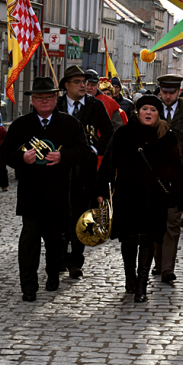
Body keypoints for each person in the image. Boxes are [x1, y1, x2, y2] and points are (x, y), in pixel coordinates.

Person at [0, 77, 92, 302]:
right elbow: (5, 152)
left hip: (58, 192)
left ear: (56, 98)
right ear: (33, 100)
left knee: (56, 241)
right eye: (40, 98)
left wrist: (63, 156)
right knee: (29, 242)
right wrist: (22, 158)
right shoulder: (21, 125)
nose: (44, 101)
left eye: (49, 97)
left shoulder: (70, 124)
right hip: (30, 194)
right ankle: (28, 285)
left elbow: (84, 151)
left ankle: (53, 274)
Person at [95, 94, 183, 302]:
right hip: (127, 195)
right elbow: (109, 163)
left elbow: (177, 170)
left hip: (155, 198)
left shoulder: (167, 137)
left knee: (149, 239)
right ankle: (130, 277)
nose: (149, 113)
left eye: (153, 110)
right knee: (128, 240)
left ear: (159, 114)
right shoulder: (123, 134)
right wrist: (101, 190)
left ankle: (141, 285)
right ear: (138, 112)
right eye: (145, 109)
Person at [56, 65, 114, 279]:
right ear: (67, 85)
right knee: (59, 217)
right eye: (79, 82)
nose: (84, 86)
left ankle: (75, 261)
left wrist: (95, 149)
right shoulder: (57, 104)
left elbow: (109, 132)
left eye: (86, 82)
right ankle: (58, 257)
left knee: (79, 217)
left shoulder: (95, 106)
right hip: (60, 170)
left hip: (85, 171)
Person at [153, 74, 183, 282]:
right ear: (160, 91)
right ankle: (158, 261)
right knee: (156, 221)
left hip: (177, 176)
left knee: (172, 223)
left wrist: (177, 150)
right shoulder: (150, 112)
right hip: (153, 176)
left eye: (172, 92)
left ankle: (167, 269)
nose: (168, 96)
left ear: (179, 92)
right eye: (165, 92)